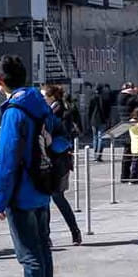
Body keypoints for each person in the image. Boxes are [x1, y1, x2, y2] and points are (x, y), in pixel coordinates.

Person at [0, 53, 65, 277]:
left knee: (29, 256)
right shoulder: (41, 105)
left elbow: (7, 161)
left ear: (0, 81)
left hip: (21, 193)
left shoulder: (14, 112)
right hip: (42, 187)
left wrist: (0, 201)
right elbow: (60, 139)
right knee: (43, 251)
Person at [40, 84, 81, 246]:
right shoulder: (48, 113)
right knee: (47, 199)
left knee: (57, 197)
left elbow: (63, 135)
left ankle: (74, 230)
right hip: (50, 159)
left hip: (58, 160)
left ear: (51, 97)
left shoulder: (61, 112)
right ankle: (47, 236)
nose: (41, 99)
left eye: (43, 96)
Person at [87, 84, 110, 162]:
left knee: (95, 138)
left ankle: (95, 154)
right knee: (101, 138)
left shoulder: (92, 98)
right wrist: (107, 119)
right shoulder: (104, 98)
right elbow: (107, 110)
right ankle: (99, 155)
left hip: (93, 120)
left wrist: (89, 119)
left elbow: (90, 111)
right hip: (102, 120)